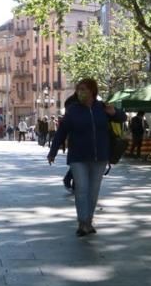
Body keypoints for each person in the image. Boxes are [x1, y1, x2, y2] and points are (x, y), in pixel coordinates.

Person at [47, 78, 122, 237]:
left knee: (93, 191)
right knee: (81, 189)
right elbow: (62, 132)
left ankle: (89, 221)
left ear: (92, 92)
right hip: (78, 156)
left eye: (84, 89)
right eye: (79, 89)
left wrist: (114, 112)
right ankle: (82, 222)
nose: (81, 92)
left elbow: (122, 118)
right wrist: (53, 151)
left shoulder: (102, 108)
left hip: (99, 156)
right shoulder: (73, 110)